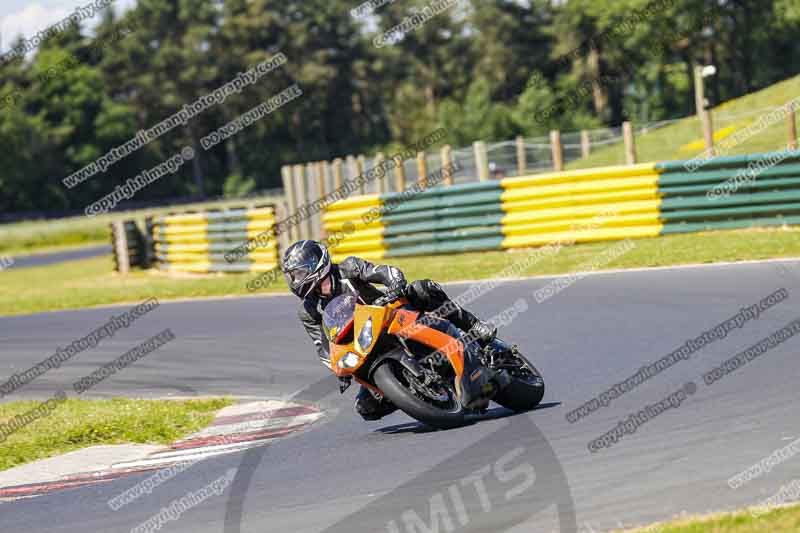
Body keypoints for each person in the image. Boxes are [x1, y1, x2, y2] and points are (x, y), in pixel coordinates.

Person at [281, 239, 498, 421]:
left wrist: (395, 283)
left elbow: (383, 272)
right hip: (364, 345)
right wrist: (339, 369)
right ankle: (420, 395)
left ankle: (474, 326)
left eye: (299, 273)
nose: (296, 280)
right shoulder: (308, 310)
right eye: (292, 276)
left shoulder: (348, 268)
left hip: (393, 313)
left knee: (422, 289)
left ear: (315, 265)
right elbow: (323, 347)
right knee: (366, 408)